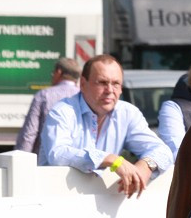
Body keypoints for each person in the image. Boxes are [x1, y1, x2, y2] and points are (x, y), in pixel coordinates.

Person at [40, 54, 173, 198]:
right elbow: (57, 154)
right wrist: (111, 159)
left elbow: (163, 151)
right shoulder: (63, 111)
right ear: (83, 84)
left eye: (116, 83)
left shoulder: (127, 113)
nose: (110, 90)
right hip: (56, 200)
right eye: (102, 82)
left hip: (103, 203)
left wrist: (144, 168)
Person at [14, 57, 80, 154]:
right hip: (76, 161)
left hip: (46, 162)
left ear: (58, 72)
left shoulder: (43, 95)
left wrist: (20, 159)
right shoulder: (83, 96)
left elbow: (29, 133)